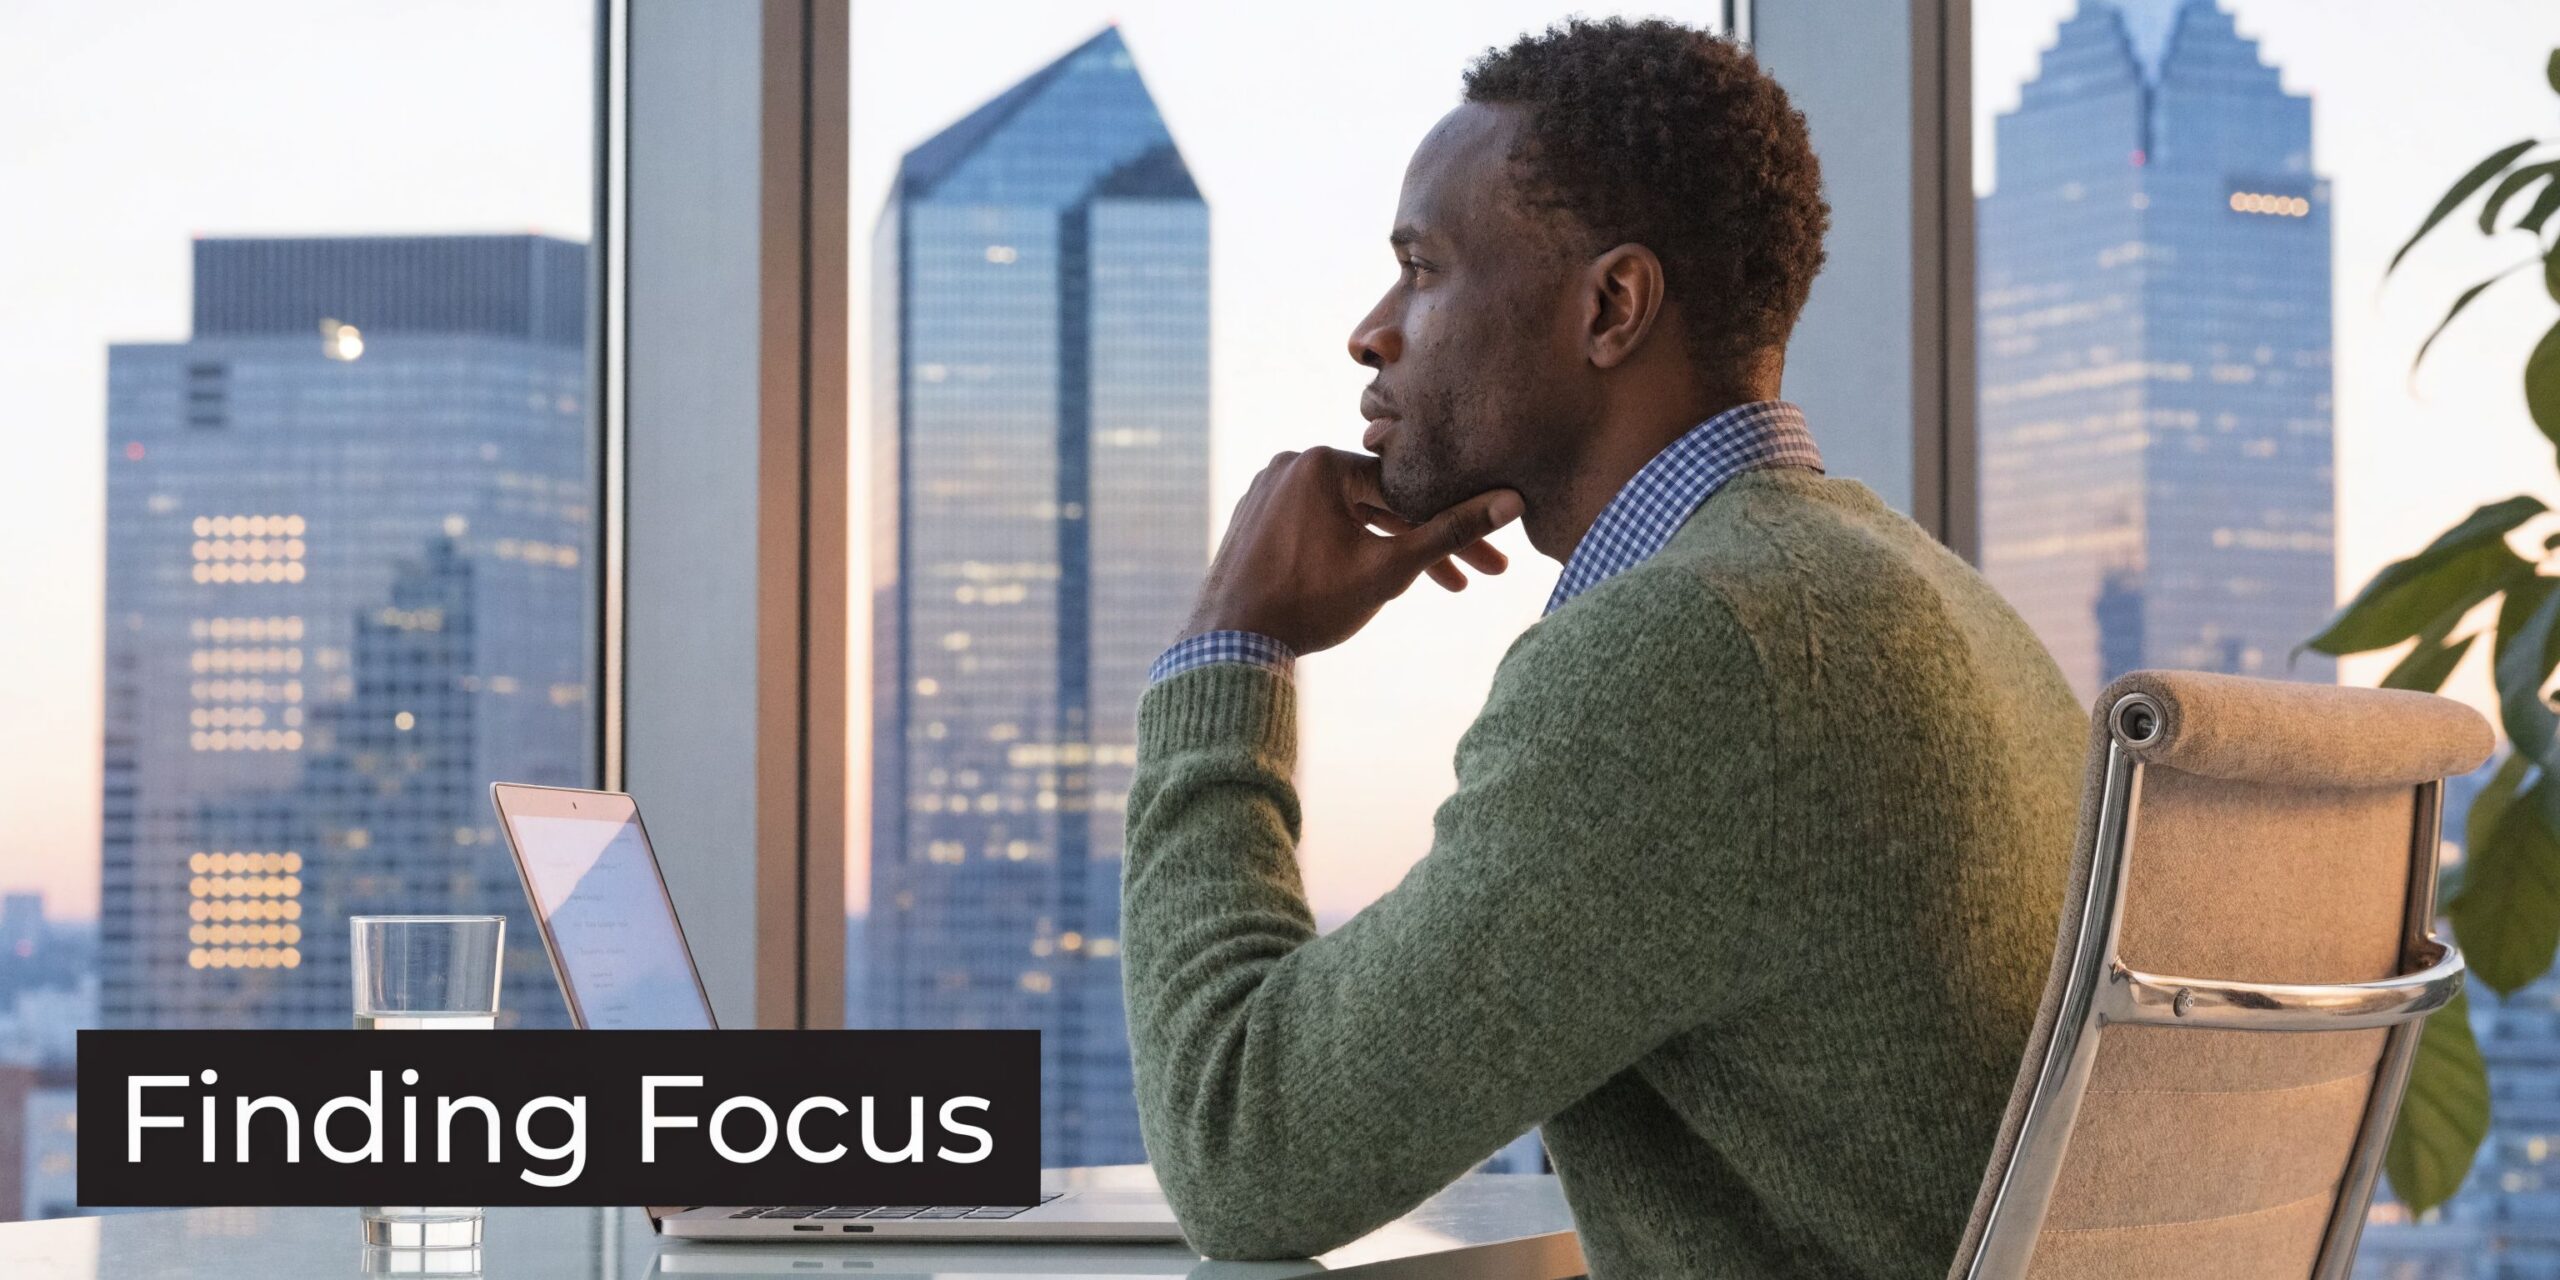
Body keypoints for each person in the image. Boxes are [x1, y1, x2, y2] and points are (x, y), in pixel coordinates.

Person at [1119, 17, 2083, 1278]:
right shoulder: (1924, 596)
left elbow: (1246, 1152)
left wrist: (1230, 649)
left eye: (1421, 267)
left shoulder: (1699, 654)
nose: (1371, 331)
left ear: (1612, 305)